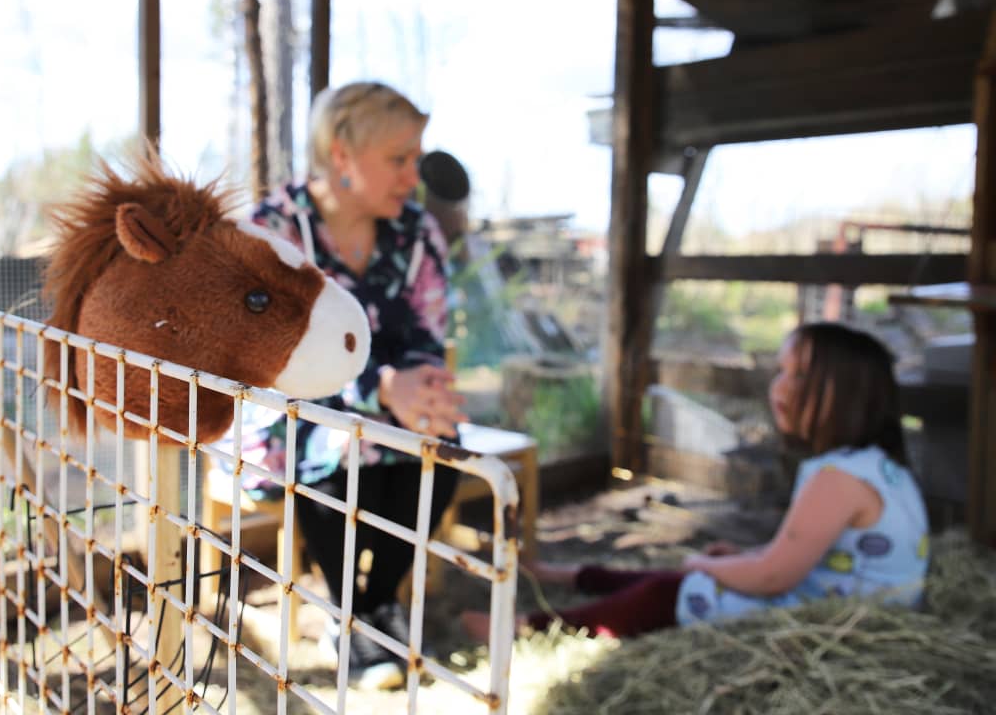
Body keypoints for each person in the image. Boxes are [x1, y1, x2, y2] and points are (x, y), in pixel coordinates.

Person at [462, 322, 929, 640]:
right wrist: (736, 560)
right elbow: (805, 557)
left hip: (833, 625)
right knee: (686, 572)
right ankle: (564, 575)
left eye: (800, 375)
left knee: (671, 590)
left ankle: (531, 626)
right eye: (782, 371)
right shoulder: (877, 467)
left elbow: (773, 576)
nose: (779, 386)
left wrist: (708, 568)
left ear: (846, 395)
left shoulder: (837, 480)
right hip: (846, 607)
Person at [243, 81, 467, 689]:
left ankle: (372, 606)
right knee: (326, 443)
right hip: (294, 408)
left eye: (416, 158)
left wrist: (422, 388)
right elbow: (273, 355)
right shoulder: (273, 231)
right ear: (340, 155)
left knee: (441, 443)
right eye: (399, 159)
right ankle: (351, 608)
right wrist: (382, 388)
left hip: (390, 404)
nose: (412, 175)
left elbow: (430, 324)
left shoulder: (416, 232)